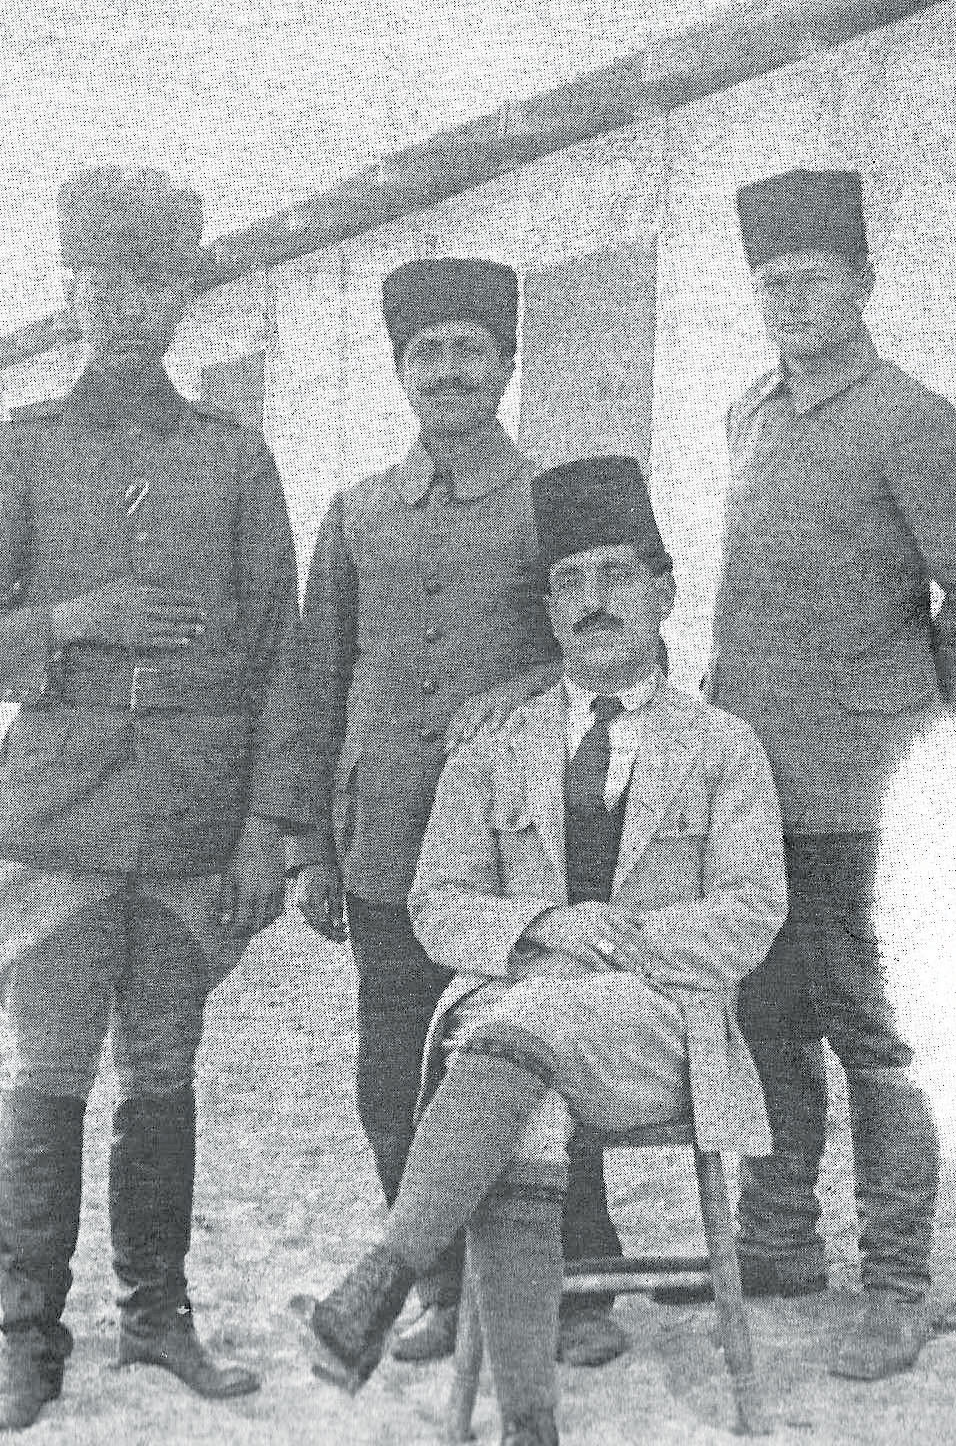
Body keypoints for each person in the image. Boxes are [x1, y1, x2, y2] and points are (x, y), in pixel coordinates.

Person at [0, 166, 318, 1430]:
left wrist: (264, 831)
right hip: (59, 830)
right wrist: (73, 619)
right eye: (104, 283)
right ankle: (26, 1339)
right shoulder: (17, 452)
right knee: (48, 1073)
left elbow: (284, 659)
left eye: (154, 283)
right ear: (71, 294)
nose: (128, 306)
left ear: (182, 296)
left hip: (194, 823)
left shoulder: (235, 461)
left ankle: (157, 1316)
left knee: (163, 1070)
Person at [293, 454, 787, 1446]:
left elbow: (752, 910)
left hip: (656, 1029)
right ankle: (529, 1425)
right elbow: (435, 904)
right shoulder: (495, 748)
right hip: (519, 1027)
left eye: (615, 576)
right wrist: (542, 927)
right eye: (569, 582)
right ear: (549, 611)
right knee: (522, 1110)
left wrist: (621, 941)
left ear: (662, 593)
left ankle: (384, 1275)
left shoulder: (721, 746)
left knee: (511, 1028)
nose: (592, 601)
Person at [704, 167, 956, 1380]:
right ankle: (780, 1240)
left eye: (809, 278)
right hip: (752, 783)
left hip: (865, 795)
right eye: (769, 283)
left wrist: (911, 704)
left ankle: (896, 1283)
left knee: (878, 1036)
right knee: (765, 1017)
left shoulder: (912, 420)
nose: (788, 300)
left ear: (861, 281)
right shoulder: (749, 414)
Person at [291, 258, 629, 1365]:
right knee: (394, 1070)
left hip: (523, 846)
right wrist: (309, 849)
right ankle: (439, 1285)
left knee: (540, 1052)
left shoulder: (553, 502)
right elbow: (316, 680)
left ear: (507, 364)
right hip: (386, 837)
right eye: (425, 353)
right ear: (399, 371)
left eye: (468, 350)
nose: (447, 370)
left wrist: (521, 688)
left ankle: (573, 1291)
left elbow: (622, 649)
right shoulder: (355, 513)